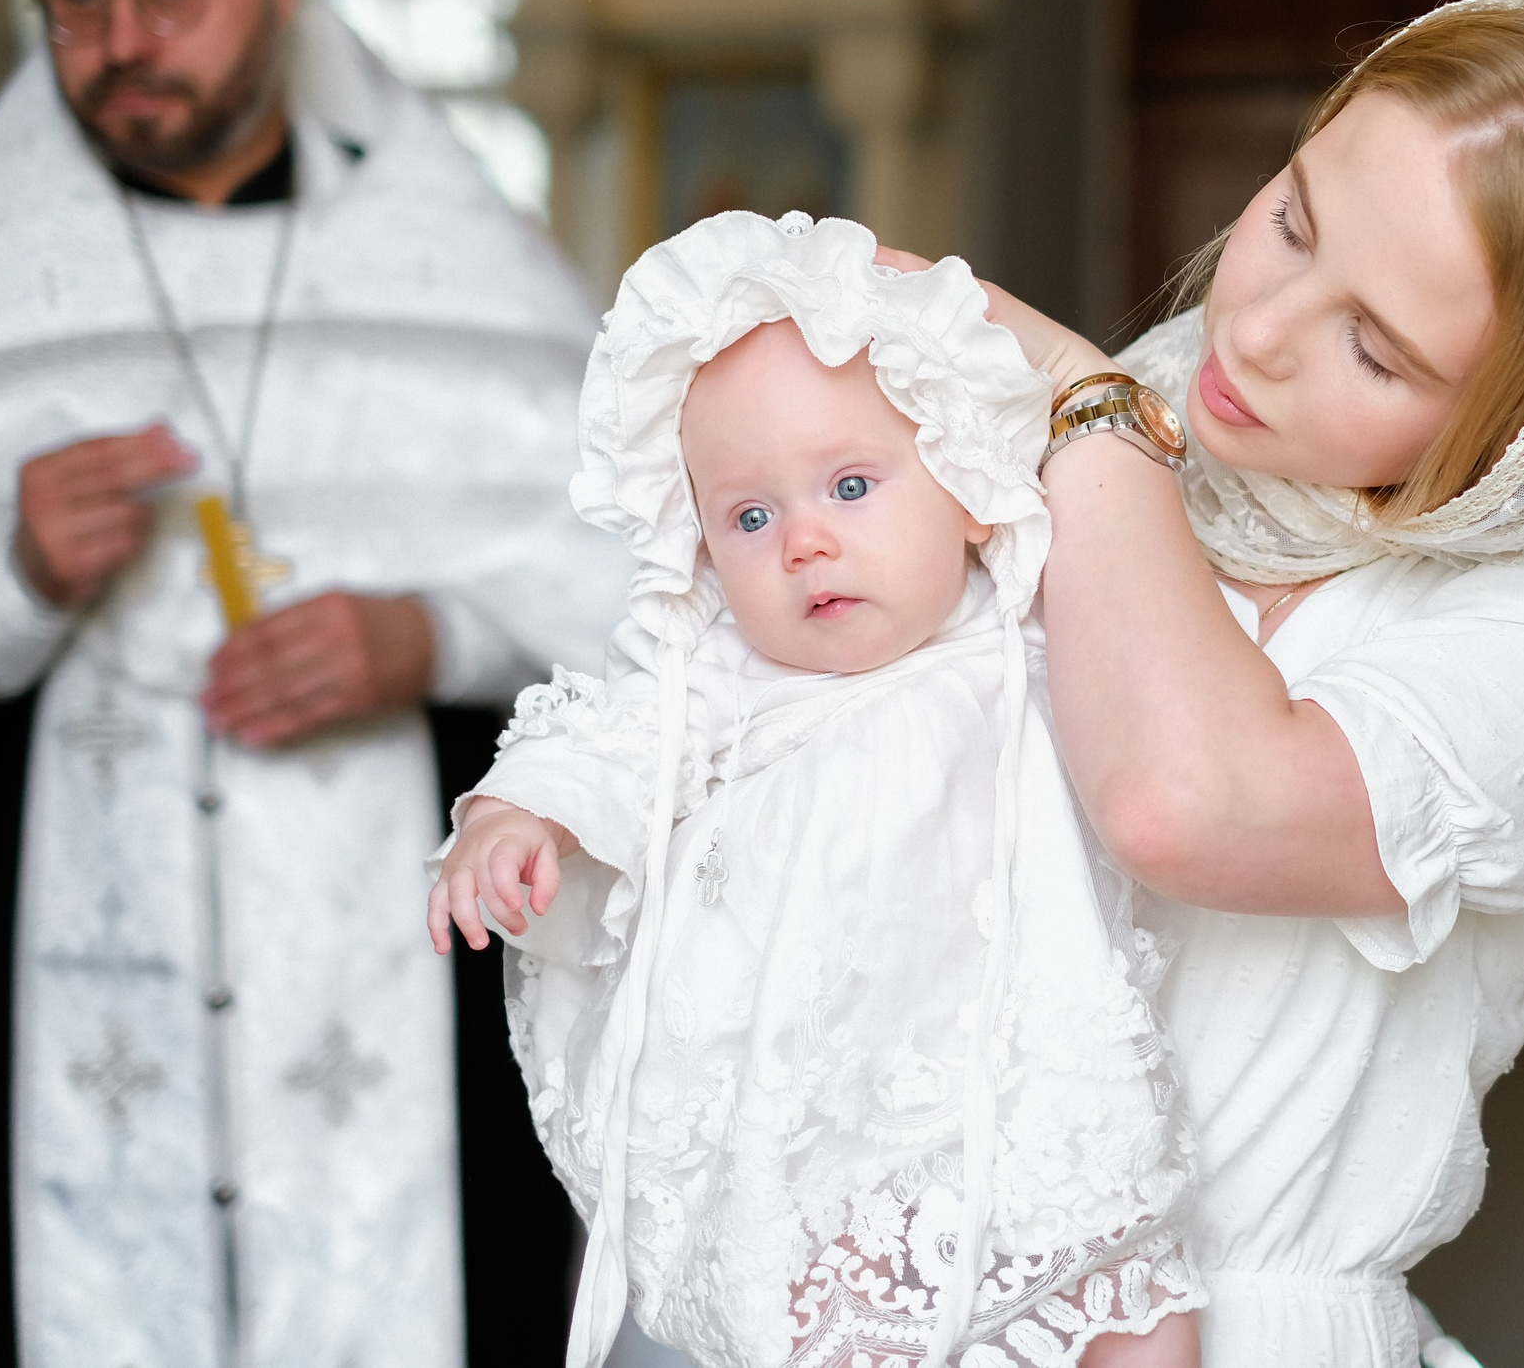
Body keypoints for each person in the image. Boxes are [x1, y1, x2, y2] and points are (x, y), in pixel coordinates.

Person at [0, 0, 625, 1367]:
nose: (124, 41)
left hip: (410, 970)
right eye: (79, 0)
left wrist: (433, 631)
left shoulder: (448, 262)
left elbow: (644, 586)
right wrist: (7, 579)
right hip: (69, 981)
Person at [885, 0, 1524, 1364]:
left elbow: (1186, 801)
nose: (1252, 331)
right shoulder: (1133, 421)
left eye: (1375, 345)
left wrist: (1082, 402)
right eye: (1294, 216)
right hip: (902, 1294)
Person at [429, 213, 1205, 1368]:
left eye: (850, 485)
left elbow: (1174, 649)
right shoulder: (723, 679)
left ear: (967, 485)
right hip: (826, 1147)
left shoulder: (1028, 631)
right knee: (829, 1323)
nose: (802, 541)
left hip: (1034, 1093)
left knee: (1136, 1313)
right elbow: (608, 738)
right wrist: (511, 813)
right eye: (750, 516)